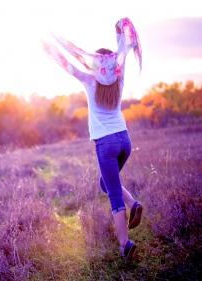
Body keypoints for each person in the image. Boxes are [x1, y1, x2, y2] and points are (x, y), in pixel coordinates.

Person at [42, 18, 143, 259]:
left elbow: (66, 63)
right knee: (105, 184)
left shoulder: (89, 79)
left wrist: (47, 45)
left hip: (106, 144)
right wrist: (119, 30)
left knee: (113, 193)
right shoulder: (119, 78)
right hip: (124, 141)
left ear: (97, 66)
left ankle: (124, 245)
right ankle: (135, 205)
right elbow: (123, 50)